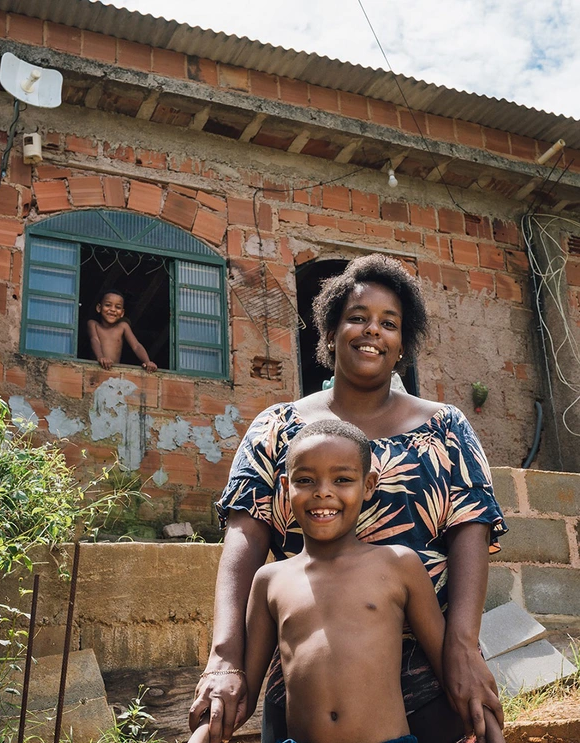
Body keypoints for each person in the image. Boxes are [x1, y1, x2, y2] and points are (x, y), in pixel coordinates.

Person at [189, 254, 508, 743]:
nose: (372, 331)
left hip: (432, 680)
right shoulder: (278, 428)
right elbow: (243, 539)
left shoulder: (445, 427)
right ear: (331, 332)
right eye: (357, 318)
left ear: (403, 344)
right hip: (308, 691)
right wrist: (225, 658)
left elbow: (472, 529)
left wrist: (463, 647)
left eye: (389, 323)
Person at [189, 420, 503, 743]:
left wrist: (492, 732)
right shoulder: (270, 582)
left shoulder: (399, 566)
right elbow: (243, 696)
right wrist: (203, 733)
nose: (323, 491)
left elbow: (452, 674)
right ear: (285, 486)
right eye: (305, 480)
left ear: (368, 485)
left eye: (342, 479)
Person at [87, 290, 157, 372]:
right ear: (99, 308)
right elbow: (94, 340)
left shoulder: (123, 326)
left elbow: (136, 346)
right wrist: (100, 357)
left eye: (118, 307)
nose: (113, 309)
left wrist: (147, 361)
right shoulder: (93, 324)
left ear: (122, 313)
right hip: (96, 370)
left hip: (115, 372)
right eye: (108, 305)